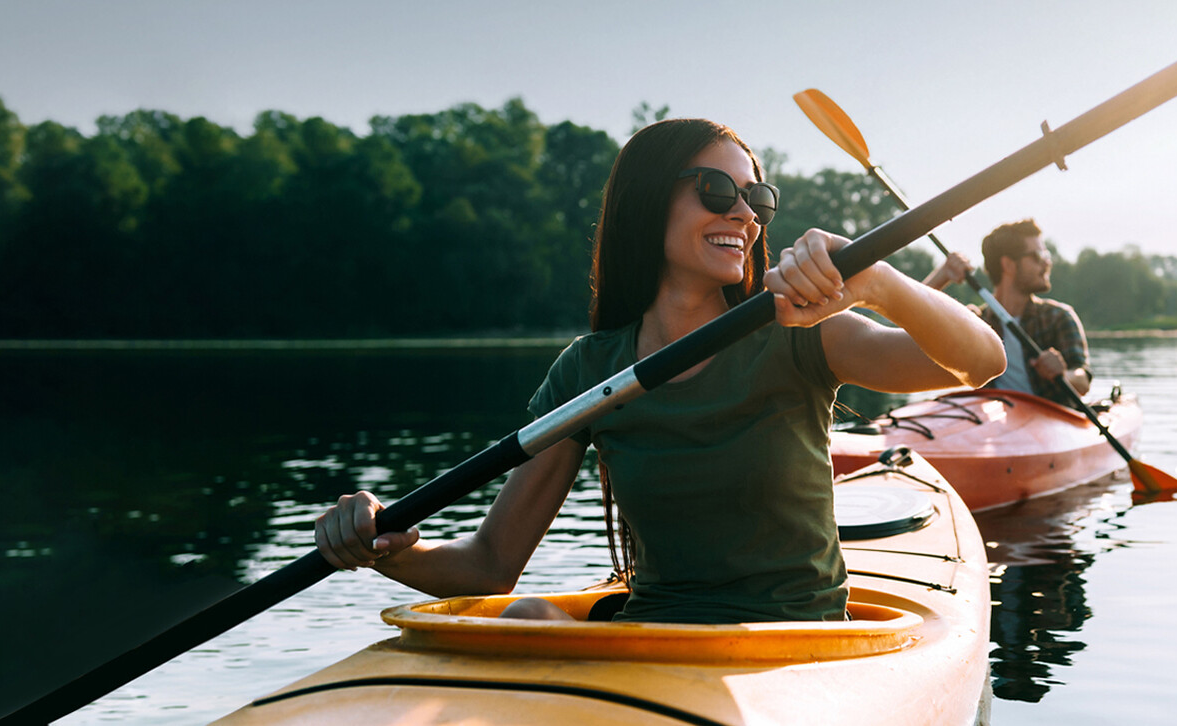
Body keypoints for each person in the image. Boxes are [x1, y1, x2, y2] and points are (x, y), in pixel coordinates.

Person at [314, 118, 1004, 624]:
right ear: (648, 201)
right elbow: (490, 564)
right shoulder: (589, 372)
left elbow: (980, 362)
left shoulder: (798, 332)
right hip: (653, 639)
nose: (742, 213)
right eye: (714, 189)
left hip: (796, 642)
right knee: (527, 614)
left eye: (756, 201)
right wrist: (383, 546)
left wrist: (878, 280)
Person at [920, 219, 1091, 402]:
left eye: (1046, 254)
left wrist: (1063, 374)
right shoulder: (975, 322)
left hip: (1051, 420)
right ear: (1008, 265)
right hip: (994, 423)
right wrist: (943, 275)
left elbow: (1083, 381)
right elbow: (911, 317)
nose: (1047, 263)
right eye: (1037, 256)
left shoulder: (1059, 317)